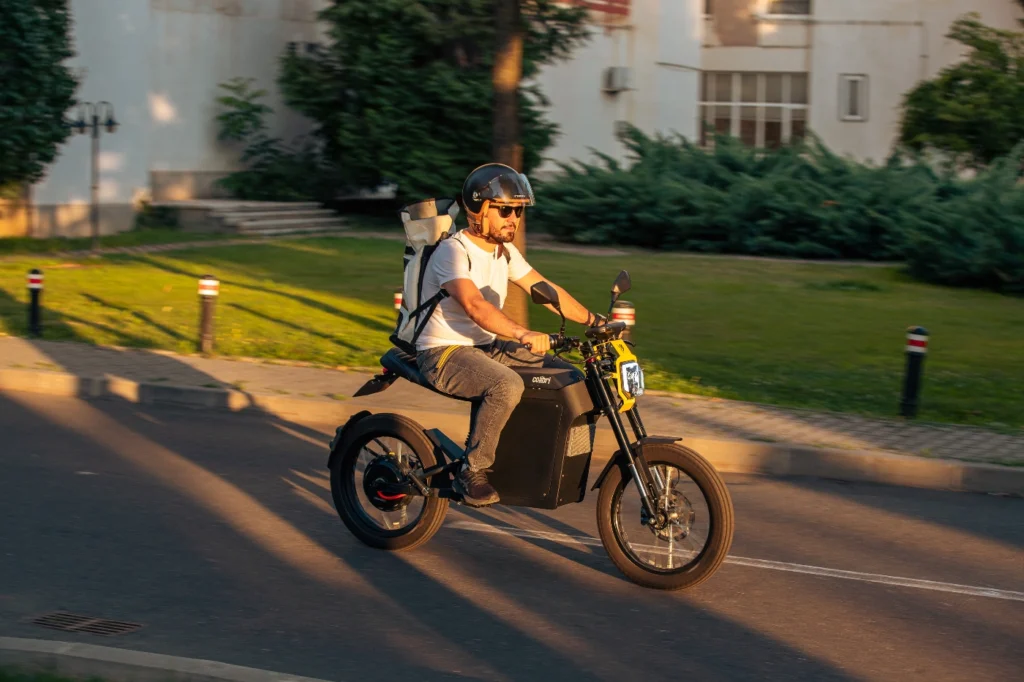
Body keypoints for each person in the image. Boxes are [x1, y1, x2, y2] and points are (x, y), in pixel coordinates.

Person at [415, 162, 605, 506]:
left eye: (517, 210)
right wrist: (522, 332)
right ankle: (471, 472)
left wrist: (595, 321)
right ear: (479, 209)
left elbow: (545, 290)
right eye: (505, 209)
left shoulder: (505, 251)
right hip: (443, 353)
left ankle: (528, 460)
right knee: (507, 384)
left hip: (484, 347)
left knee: (567, 375)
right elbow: (474, 305)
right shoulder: (453, 252)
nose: (513, 218)